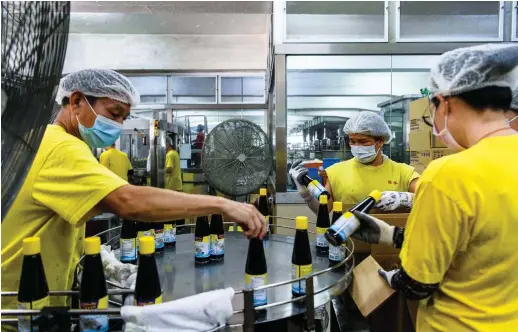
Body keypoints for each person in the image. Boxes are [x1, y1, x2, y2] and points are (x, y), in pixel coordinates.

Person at [1, 69, 266, 309]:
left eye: (123, 118)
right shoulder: (60, 146)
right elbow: (127, 201)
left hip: (32, 298)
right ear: (77, 101)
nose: (117, 126)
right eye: (114, 113)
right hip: (20, 306)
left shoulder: (41, 140)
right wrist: (221, 204)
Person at [351, 44, 518, 331]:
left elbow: (417, 285)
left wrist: (391, 277)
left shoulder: (449, 174)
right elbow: (485, 244)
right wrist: (393, 235)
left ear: (444, 102)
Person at [289, 111, 420, 214]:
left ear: (380, 141)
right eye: (352, 141)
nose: (357, 146)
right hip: (348, 243)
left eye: (363, 142)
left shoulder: (404, 172)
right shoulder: (336, 172)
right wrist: (305, 192)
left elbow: (429, 198)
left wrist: (407, 199)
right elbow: (322, 211)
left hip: (389, 244)